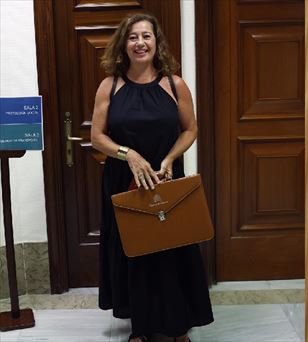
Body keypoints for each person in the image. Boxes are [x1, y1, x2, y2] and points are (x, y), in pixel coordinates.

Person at [91, 13, 213, 342]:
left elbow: (191, 129)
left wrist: (171, 157)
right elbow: (97, 138)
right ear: (123, 45)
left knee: (173, 251)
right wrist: (128, 155)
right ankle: (139, 328)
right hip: (124, 180)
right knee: (135, 251)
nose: (140, 43)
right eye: (132, 37)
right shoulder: (110, 86)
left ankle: (178, 327)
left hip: (166, 177)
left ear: (156, 43)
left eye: (146, 36)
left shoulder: (175, 84)